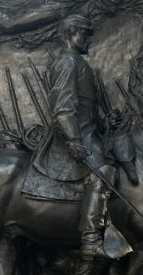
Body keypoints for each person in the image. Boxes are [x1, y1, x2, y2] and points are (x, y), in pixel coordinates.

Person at [30, 17, 117, 260]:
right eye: (84, 34)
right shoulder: (68, 62)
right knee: (104, 172)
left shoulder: (79, 63)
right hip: (73, 137)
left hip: (89, 133)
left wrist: (105, 123)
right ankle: (90, 239)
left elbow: (86, 108)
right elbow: (64, 108)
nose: (88, 39)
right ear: (70, 34)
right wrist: (74, 139)